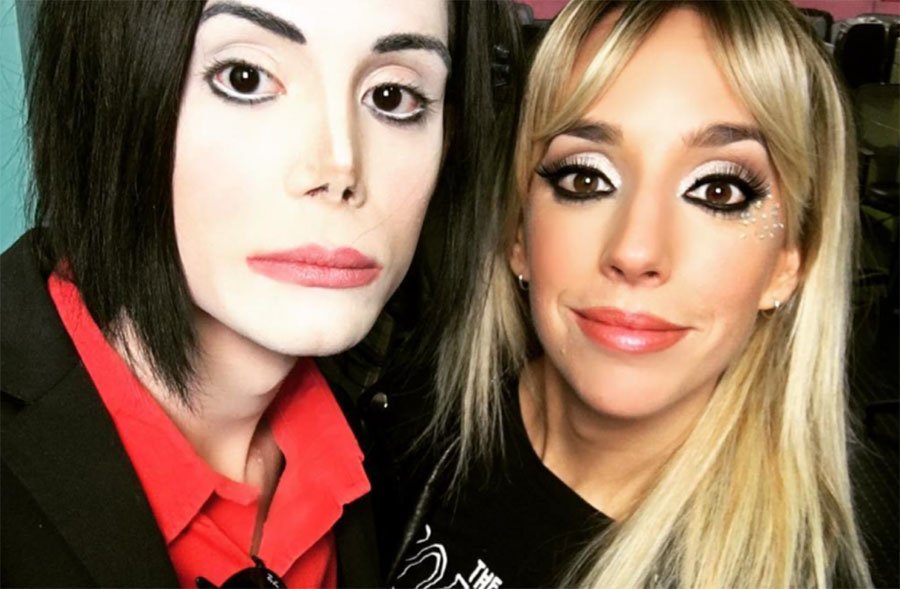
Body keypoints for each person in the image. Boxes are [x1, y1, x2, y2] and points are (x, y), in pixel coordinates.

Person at [0, 0, 520, 587]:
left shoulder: (383, 453)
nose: (339, 168)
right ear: (109, 88)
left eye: (393, 96)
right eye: (245, 78)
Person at [389, 0, 893, 587]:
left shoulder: (832, 569)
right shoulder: (402, 424)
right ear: (518, 233)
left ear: (788, 263)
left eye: (719, 191)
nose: (635, 251)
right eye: (584, 178)